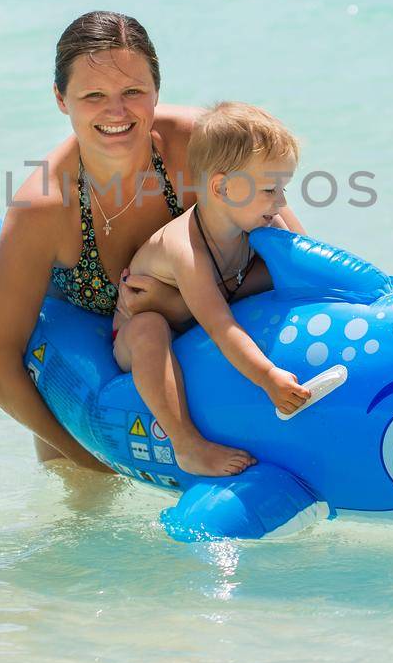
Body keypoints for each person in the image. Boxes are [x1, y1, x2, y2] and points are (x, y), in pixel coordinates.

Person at [0, 13, 306, 471]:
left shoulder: (201, 148)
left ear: (156, 91)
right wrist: (88, 460)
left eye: (133, 92)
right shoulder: (45, 208)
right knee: (83, 523)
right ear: (60, 99)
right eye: (93, 95)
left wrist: (180, 301)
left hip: (213, 350)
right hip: (87, 387)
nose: (117, 112)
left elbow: (296, 255)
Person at [109, 102, 311, 476]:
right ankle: (187, 444)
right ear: (221, 188)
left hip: (201, 306)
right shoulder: (186, 248)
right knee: (148, 329)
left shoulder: (261, 214)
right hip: (141, 327)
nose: (281, 202)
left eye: (282, 188)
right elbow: (222, 327)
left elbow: (311, 264)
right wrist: (268, 377)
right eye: (271, 189)